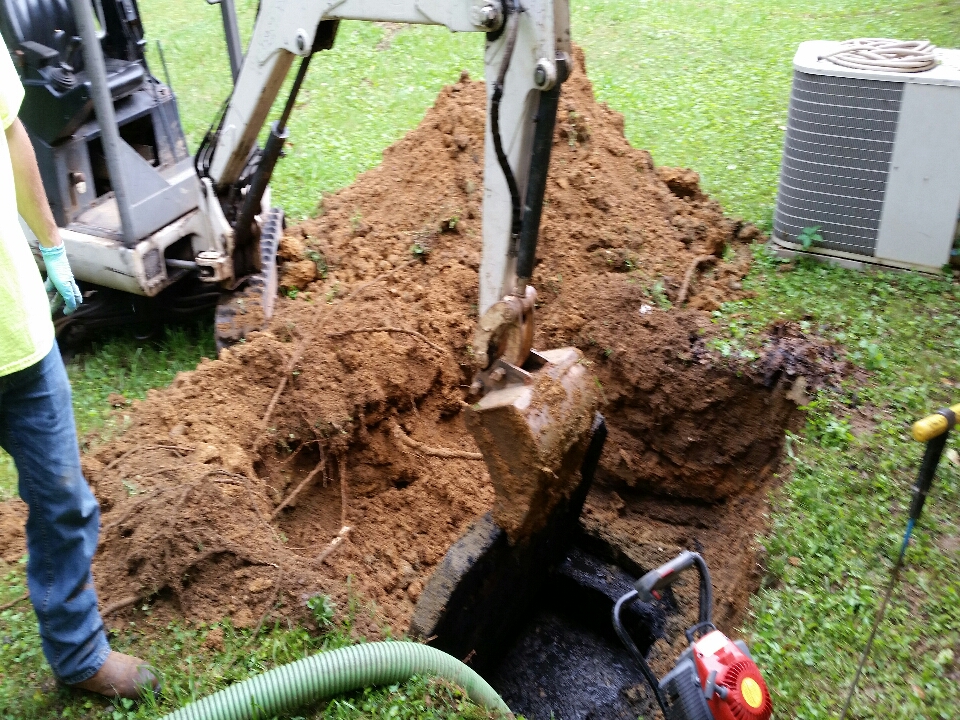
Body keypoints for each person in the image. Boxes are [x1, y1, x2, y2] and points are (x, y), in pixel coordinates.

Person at [0, 37, 158, 699]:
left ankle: (78, 654)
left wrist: (54, 246)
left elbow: (12, 135)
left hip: (19, 334)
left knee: (63, 500)